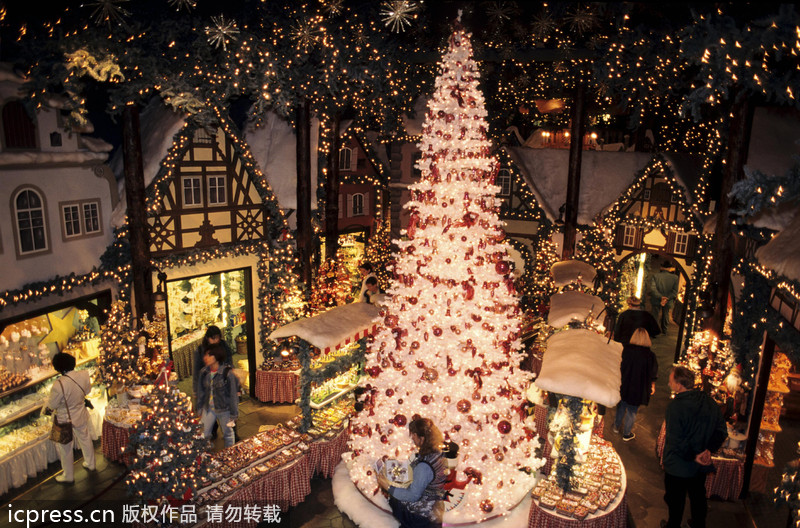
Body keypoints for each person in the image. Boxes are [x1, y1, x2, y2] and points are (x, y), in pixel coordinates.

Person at [662, 366, 727, 528]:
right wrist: (708, 450)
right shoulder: (709, 402)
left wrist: (694, 455)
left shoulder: (675, 407)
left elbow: (676, 440)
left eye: (671, 382)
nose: (669, 384)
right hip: (699, 467)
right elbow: (721, 431)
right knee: (697, 497)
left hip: (678, 465)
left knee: (675, 500)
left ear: (679, 385)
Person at [377, 417, 448, 528]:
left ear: (422, 438)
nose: (412, 438)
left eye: (414, 435)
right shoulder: (438, 453)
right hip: (436, 508)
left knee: (394, 500)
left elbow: (412, 495)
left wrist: (388, 487)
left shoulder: (424, 466)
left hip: (422, 516)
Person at [44, 352, 96, 483]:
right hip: (80, 412)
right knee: (85, 438)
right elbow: (87, 391)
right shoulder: (84, 374)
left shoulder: (58, 384)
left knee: (65, 448)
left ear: (58, 368)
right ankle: (91, 463)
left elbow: (52, 405)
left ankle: (68, 475)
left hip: (64, 418)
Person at [613, 328, 658, 441]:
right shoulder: (650, 355)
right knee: (632, 410)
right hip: (639, 387)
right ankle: (626, 434)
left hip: (625, 383)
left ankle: (616, 427)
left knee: (621, 406)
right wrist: (652, 385)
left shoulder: (625, 351)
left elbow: (619, 365)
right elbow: (653, 373)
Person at [197, 345, 240, 448]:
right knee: (203, 434)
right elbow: (201, 392)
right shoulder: (204, 372)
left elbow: (233, 395)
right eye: (205, 355)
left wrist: (234, 415)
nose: (206, 358)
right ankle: (205, 453)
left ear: (217, 356)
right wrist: (200, 409)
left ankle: (230, 454)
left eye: (209, 355)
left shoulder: (227, 373)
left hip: (224, 409)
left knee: (228, 435)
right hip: (208, 408)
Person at [650, 261, 679, 334]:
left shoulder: (655, 276)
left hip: (656, 299)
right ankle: (664, 330)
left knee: (655, 314)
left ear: (662, 267)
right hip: (668, 301)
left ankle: (654, 330)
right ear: (670, 268)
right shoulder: (675, 278)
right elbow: (674, 291)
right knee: (666, 314)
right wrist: (666, 298)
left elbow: (653, 289)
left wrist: (660, 297)